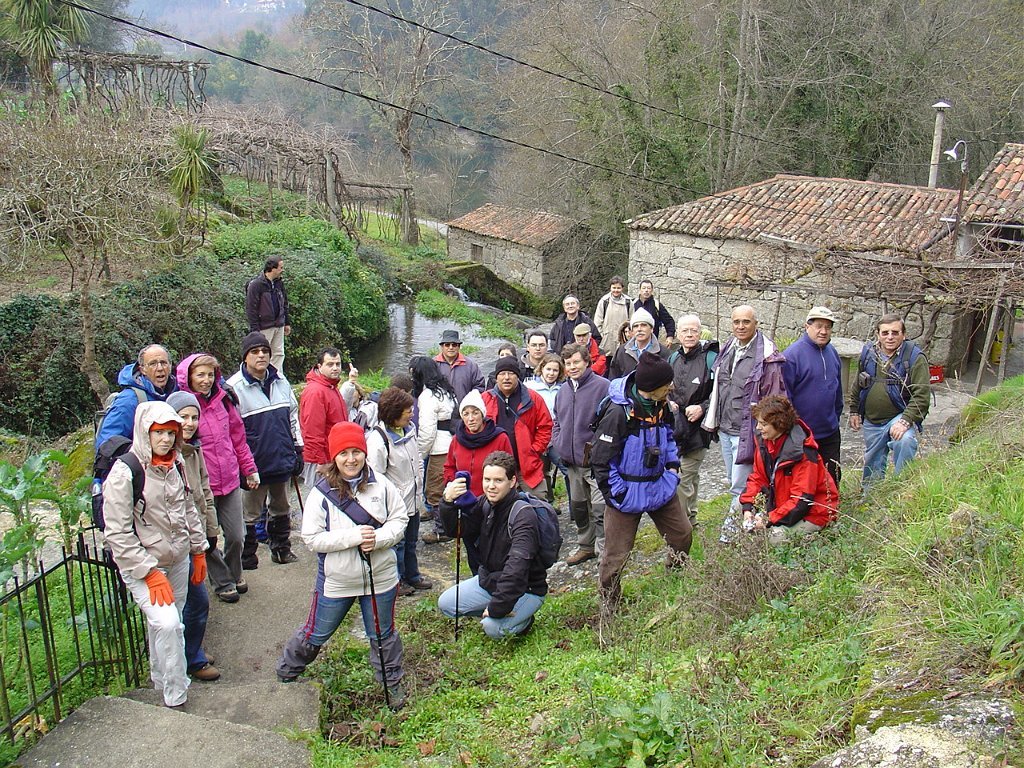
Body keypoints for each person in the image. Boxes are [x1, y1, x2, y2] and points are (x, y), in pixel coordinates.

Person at [276, 422, 409, 710]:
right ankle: (287, 671)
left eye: (356, 452)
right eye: (344, 453)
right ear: (334, 457)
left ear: (364, 453)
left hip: (381, 578)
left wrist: (379, 539)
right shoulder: (320, 494)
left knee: (383, 636)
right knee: (316, 632)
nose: (351, 459)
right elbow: (311, 538)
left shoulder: (382, 485)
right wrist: (353, 537)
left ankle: (392, 685)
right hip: (338, 581)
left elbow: (400, 520)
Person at [102, 401, 207, 708]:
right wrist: (148, 572)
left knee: (167, 626)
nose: (165, 439)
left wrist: (198, 549)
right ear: (144, 432)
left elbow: (187, 507)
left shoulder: (177, 463)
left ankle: (160, 680)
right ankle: (176, 695)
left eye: (171, 433)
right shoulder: (125, 472)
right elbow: (117, 533)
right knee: (169, 624)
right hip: (144, 563)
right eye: (158, 432)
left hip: (178, 558)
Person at [590, 352, 692, 618]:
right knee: (616, 556)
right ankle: (610, 604)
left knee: (682, 535)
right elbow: (601, 460)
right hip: (626, 492)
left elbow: (669, 438)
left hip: (660, 486)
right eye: (667, 384)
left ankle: (675, 577)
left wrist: (672, 468)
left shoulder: (662, 405)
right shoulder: (618, 412)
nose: (671, 387)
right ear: (652, 387)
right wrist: (617, 493)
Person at [175, 353, 259, 603]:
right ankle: (222, 581)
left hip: (229, 479)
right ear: (189, 377)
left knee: (236, 536)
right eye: (200, 374)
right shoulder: (184, 407)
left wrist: (249, 468)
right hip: (202, 485)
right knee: (208, 537)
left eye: (210, 375)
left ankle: (234, 572)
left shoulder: (224, 399)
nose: (206, 380)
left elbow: (238, 438)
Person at [437, 451, 548, 639]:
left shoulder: (523, 515)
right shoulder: (485, 503)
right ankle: (500, 612)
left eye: (498, 480)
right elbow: (458, 530)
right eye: (487, 479)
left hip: (526, 588)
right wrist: (447, 503)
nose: (491, 486)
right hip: (490, 580)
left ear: (512, 482)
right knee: (446, 604)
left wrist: (497, 607)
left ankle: (523, 620)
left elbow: (516, 570)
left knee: (493, 629)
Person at [702, 305, 786, 543]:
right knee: (735, 481)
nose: (740, 326)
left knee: (741, 486)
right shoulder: (729, 347)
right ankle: (752, 524)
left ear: (756, 324)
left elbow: (775, 399)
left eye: (746, 322)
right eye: (736, 322)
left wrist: (766, 431)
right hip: (726, 427)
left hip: (748, 432)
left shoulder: (767, 357)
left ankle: (728, 538)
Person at [227, 332, 304, 568]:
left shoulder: (281, 381)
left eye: (265, 351)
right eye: (255, 352)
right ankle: (247, 558)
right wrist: (240, 466)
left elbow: (292, 416)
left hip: (281, 457)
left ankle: (281, 550)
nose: (261, 355)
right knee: (249, 513)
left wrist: (298, 448)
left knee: (281, 508)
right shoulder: (233, 388)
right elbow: (230, 431)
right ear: (245, 357)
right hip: (254, 463)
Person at [166, 391, 221, 682]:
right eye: (183, 417)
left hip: (195, 536)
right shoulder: (167, 457)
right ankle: (192, 660)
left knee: (195, 600)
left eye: (194, 417)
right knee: (195, 601)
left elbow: (204, 491)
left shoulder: (193, 450)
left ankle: (191, 651)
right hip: (178, 542)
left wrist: (211, 529)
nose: (189, 423)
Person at [740, 395, 839, 545]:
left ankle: (814, 539)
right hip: (783, 504)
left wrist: (768, 519)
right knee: (739, 507)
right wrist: (748, 508)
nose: (758, 428)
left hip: (814, 513)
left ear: (779, 424)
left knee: (773, 538)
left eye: (763, 424)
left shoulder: (803, 453)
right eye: (758, 422)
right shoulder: (765, 442)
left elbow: (801, 501)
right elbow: (758, 478)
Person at [847, 313, 930, 484]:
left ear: (903, 334)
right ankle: (871, 495)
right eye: (885, 333)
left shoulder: (914, 357)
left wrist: (905, 421)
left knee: (905, 441)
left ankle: (901, 487)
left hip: (899, 416)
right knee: (873, 462)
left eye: (895, 332)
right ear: (877, 334)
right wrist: (854, 410)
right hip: (872, 419)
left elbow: (922, 395)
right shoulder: (869, 353)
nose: (890, 337)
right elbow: (858, 383)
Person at [366, 387, 432, 596]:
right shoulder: (378, 440)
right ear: (394, 413)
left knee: (411, 541)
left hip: (412, 499)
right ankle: (397, 581)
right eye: (408, 411)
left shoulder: (409, 431)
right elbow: (375, 477)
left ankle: (413, 575)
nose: (412, 414)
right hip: (395, 504)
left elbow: (418, 460)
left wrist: (420, 487)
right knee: (398, 543)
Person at [443, 390, 514, 573]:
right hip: (467, 506)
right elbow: (449, 467)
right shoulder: (457, 439)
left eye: (475, 413)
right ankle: (478, 581)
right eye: (465, 413)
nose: (470, 418)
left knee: (494, 552)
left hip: (493, 505)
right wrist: (453, 485)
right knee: (473, 552)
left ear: (483, 414)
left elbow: (509, 468)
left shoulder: (499, 437)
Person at [552, 342, 610, 565]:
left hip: (596, 463)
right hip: (572, 463)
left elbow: (611, 422)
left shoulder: (603, 387)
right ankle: (586, 546)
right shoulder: (563, 391)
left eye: (576, 362)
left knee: (600, 508)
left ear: (587, 362)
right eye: (568, 363)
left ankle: (605, 552)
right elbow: (557, 421)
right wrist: (558, 443)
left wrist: (598, 449)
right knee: (579, 507)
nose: (572, 367)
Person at [667, 315, 718, 527]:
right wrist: (669, 401)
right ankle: (692, 519)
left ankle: (680, 529)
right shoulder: (673, 359)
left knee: (682, 478)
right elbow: (666, 389)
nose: (689, 335)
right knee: (691, 477)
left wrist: (702, 408)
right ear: (678, 334)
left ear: (700, 333)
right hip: (677, 429)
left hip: (699, 431)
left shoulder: (711, 359)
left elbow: (720, 392)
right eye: (685, 331)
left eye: (693, 331)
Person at [783, 307, 844, 485]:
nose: (823, 331)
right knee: (805, 483)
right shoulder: (792, 356)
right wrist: (794, 429)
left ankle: (831, 504)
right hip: (803, 434)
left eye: (828, 327)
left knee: (832, 479)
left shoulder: (832, 353)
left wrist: (835, 418)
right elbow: (785, 397)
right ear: (807, 326)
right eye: (819, 326)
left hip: (830, 431)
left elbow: (838, 391)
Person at [483, 356, 553, 495]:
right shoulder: (486, 399)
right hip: (497, 467)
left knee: (538, 500)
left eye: (511, 373)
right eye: (502, 374)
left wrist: (535, 450)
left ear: (518, 376)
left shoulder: (533, 398)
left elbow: (545, 426)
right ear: (496, 378)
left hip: (528, 464)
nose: (506, 378)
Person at [410, 355, 459, 544]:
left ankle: (442, 530)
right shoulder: (446, 391)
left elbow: (427, 431)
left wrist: (419, 454)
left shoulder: (428, 396)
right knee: (448, 486)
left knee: (435, 490)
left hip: (439, 448)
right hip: (453, 443)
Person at [96, 344, 178, 447]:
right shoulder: (129, 400)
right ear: (142, 369)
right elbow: (107, 445)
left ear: (170, 366)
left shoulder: (176, 394)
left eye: (163, 363)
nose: (160, 368)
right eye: (153, 364)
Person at [299, 347, 349, 487]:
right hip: (322, 459)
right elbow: (312, 431)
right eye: (330, 364)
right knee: (321, 496)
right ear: (319, 366)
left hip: (333, 454)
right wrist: (320, 461)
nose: (335, 368)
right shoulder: (316, 392)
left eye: (338, 364)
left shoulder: (330, 386)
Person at [523, 353, 567, 502]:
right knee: (541, 472)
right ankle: (547, 503)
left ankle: (574, 504)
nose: (551, 373)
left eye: (555, 370)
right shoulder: (530, 387)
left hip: (556, 437)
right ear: (541, 368)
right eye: (548, 369)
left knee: (566, 468)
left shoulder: (563, 389)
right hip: (537, 437)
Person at [245, 256, 290, 372]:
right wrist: (255, 330)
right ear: (272, 268)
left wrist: (286, 322)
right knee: (263, 354)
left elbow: (284, 303)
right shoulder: (256, 285)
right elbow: (251, 308)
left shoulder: (279, 283)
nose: (282, 270)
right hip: (264, 327)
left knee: (278, 354)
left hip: (279, 325)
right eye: (280, 267)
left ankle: (277, 377)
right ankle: (262, 377)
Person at [607, 309, 669, 379]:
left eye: (643, 325)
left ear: (651, 329)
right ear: (632, 330)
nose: (639, 329)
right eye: (636, 326)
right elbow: (613, 378)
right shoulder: (622, 351)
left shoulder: (663, 353)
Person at [434, 329, 485, 403]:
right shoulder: (433, 364)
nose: (451, 347)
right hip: (439, 408)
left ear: (459, 347)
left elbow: (479, 387)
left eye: (454, 345)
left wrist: (470, 404)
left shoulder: (471, 365)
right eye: (447, 345)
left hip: (464, 408)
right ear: (442, 347)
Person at [593, 276, 632, 355]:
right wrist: (602, 337)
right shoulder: (604, 301)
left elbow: (632, 321)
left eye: (618, 288)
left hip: (624, 340)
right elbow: (597, 322)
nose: (616, 290)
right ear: (610, 288)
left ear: (622, 288)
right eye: (614, 288)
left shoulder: (628, 302)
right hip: (607, 341)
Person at [632, 280, 676, 346]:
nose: (646, 290)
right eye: (644, 288)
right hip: (634, 342)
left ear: (652, 291)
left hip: (652, 343)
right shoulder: (632, 304)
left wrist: (670, 336)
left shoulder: (656, 305)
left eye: (648, 288)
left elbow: (669, 321)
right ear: (640, 290)